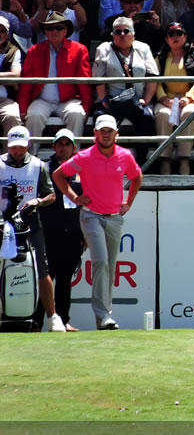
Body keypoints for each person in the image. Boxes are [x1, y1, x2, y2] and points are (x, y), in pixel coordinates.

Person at [52, 114, 143, 331]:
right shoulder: (84, 156)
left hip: (114, 218)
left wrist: (128, 202)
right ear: (95, 133)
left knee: (109, 267)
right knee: (101, 261)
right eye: (102, 130)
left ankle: (104, 317)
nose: (105, 133)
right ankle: (103, 315)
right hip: (91, 215)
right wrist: (74, 197)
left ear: (116, 134)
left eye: (109, 130)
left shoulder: (125, 156)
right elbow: (58, 175)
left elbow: (137, 177)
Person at [0, 125, 66, 332]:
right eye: (13, 148)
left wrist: (37, 201)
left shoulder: (39, 166)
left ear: (28, 145)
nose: (17, 152)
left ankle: (52, 317)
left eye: (21, 147)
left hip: (30, 224)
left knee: (42, 269)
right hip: (2, 225)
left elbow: (51, 195)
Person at [20, 12, 91, 143]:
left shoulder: (79, 50)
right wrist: (23, 108)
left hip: (69, 100)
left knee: (76, 114)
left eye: (59, 28)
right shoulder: (34, 51)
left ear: (66, 31)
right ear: (45, 32)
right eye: (50, 28)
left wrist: (86, 107)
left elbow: (84, 81)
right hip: (42, 100)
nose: (54, 31)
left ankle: (74, 157)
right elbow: (26, 83)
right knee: (34, 116)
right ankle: (31, 156)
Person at [41, 127, 84, 331]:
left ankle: (64, 321)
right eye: (60, 144)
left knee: (65, 280)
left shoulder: (82, 170)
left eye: (67, 144)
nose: (63, 148)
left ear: (74, 148)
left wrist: (84, 233)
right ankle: (36, 321)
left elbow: (87, 202)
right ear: (54, 147)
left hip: (73, 233)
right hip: (48, 232)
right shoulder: (44, 169)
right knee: (45, 278)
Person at [154, 22, 194, 176]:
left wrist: (190, 97)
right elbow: (154, 80)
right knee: (163, 115)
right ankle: (165, 162)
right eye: (171, 34)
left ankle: (184, 161)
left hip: (189, 98)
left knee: (189, 113)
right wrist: (163, 98)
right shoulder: (161, 56)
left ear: (185, 36)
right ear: (166, 39)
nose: (175, 37)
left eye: (179, 33)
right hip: (168, 99)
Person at [92, 16, 159, 144]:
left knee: (147, 118)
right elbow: (98, 79)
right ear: (112, 35)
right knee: (102, 120)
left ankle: (141, 160)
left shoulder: (143, 48)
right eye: (118, 32)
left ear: (133, 34)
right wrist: (105, 100)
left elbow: (152, 76)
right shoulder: (103, 49)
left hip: (138, 101)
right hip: (112, 101)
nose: (122, 34)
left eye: (126, 31)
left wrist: (146, 99)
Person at [99, 0, 163, 52]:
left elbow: (159, 46)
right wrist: (126, 23)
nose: (132, 5)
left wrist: (157, 27)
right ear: (121, 4)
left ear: (142, 4)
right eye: (128, 2)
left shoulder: (149, 22)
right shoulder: (112, 21)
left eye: (136, 2)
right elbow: (105, 43)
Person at [0, 17, 25, 134]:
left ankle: (10, 152)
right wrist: (5, 78)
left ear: (7, 34)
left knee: (12, 116)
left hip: (6, 100)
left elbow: (15, 77)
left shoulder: (14, 51)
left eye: (2, 31)